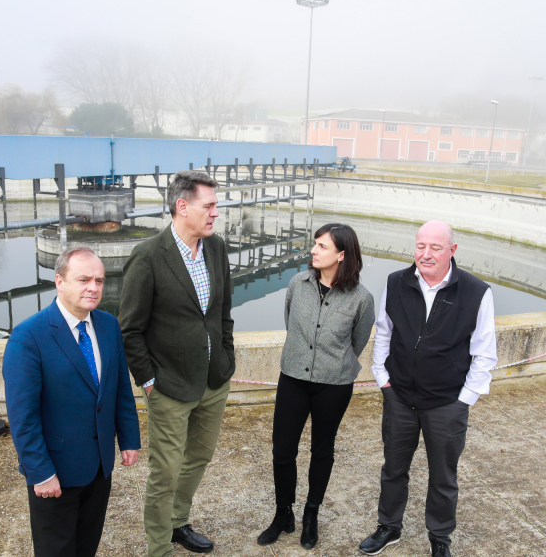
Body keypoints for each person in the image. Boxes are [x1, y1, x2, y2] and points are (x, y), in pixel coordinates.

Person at [358, 221, 497, 557]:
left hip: (447, 403)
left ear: (452, 251)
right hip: (400, 398)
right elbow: (385, 332)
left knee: (443, 477)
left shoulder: (477, 292)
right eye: (421, 246)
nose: (426, 254)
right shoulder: (397, 282)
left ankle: (440, 538)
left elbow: (484, 352)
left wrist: (464, 400)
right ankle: (389, 527)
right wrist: (383, 379)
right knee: (393, 469)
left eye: (436, 247)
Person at [119, 169, 235, 557]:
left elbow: (223, 314)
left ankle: (177, 523)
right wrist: (148, 381)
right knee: (165, 471)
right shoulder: (148, 256)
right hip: (168, 385)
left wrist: (226, 357)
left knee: (199, 455)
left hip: (213, 380)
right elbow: (130, 329)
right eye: (210, 205)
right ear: (182, 206)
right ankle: (159, 548)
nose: (216, 212)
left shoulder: (216, 248)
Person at [3, 247, 142, 557]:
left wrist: (129, 439)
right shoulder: (28, 336)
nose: (93, 288)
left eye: (99, 280)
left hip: (98, 467)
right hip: (55, 472)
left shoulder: (108, 326)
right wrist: (40, 472)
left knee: (85, 547)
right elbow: (23, 415)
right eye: (83, 279)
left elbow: (119, 389)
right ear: (59, 282)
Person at [257, 223, 375, 549]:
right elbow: (290, 323)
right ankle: (284, 515)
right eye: (315, 244)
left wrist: (329, 362)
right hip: (293, 378)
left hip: (334, 385)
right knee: (282, 451)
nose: (314, 250)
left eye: (322, 246)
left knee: (322, 451)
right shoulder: (297, 283)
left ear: (342, 254)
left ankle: (311, 515)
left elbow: (357, 341)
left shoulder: (361, 299)